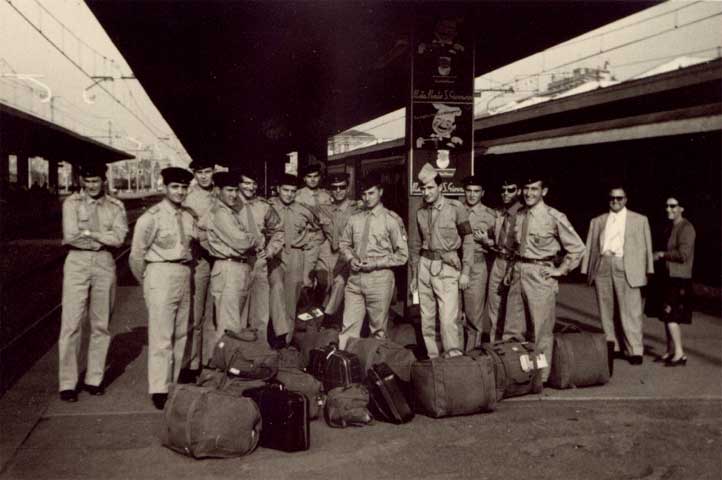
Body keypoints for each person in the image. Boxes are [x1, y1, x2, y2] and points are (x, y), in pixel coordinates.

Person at [59, 163, 128, 402]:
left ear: (104, 181)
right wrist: (102, 239)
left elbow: (119, 238)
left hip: (104, 263)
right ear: (81, 181)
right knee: (72, 323)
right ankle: (67, 383)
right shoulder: (71, 203)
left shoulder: (115, 206)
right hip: (77, 263)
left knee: (101, 324)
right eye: (87, 182)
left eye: (96, 181)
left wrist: (90, 234)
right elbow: (71, 236)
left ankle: (94, 379)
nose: (91, 186)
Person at [507, 173, 585, 382]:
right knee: (513, 330)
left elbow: (577, 248)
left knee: (541, 331)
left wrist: (561, 270)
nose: (529, 193)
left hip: (540, 276)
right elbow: (515, 247)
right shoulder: (520, 214)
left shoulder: (554, 217)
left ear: (544, 191)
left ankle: (540, 377)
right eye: (526, 189)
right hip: (518, 273)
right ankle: (516, 375)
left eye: (534, 189)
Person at [129, 167, 196, 410]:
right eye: (175, 187)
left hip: (183, 272)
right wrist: (148, 283)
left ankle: (173, 382)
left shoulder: (189, 216)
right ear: (165, 188)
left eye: (183, 187)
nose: (180, 192)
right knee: (161, 336)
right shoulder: (152, 217)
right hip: (160, 273)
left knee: (181, 333)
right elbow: (136, 256)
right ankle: (159, 388)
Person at [581, 186, 654, 365]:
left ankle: (635, 350)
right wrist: (585, 270)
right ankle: (612, 346)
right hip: (603, 265)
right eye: (612, 198)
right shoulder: (598, 221)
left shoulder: (640, 220)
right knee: (606, 309)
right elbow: (590, 247)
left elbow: (647, 246)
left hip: (627, 265)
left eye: (619, 198)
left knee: (631, 310)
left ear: (626, 199)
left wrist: (648, 269)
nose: (615, 201)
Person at [410, 163, 474, 358]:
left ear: (440, 187)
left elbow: (468, 240)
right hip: (424, 266)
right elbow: (414, 245)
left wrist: (466, 272)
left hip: (447, 267)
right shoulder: (420, 211)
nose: (426, 192)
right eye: (423, 188)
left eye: (430, 188)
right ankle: (434, 362)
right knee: (427, 319)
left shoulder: (456, 208)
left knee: (448, 321)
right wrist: (414, 275)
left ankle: (454, 362)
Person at [338, 172, 408, 348]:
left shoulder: (391, 220)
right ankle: (344, 368)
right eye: (364, 194)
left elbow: (402, 255)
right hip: (355, 279)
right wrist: (350, 258)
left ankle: (373, 367)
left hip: (379, 279)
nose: (367, 198)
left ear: (380, 192)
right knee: (348, 327)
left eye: (371, 193)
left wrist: (376, 263)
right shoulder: (355, 219)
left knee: (378, 331)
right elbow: (344, 243)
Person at [206, 171, 258, 343]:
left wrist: (248, 238)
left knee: (237, 326)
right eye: (229, 190)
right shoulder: (220, 213)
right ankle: (225, 366)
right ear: (217, 190)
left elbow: (245, 240)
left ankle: (234, 365)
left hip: (238, 268)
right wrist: (251, 239)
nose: (234, 195)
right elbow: (242, 242)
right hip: (228, 269)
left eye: (236, 190)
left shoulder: (230, 212)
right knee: (229, 327)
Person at [269, 174, 320, 343]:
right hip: (275, 256)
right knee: (276, 289)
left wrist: (308, 267)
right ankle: (276, 333)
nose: (289, 194)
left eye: (292, 191)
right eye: (285, 190)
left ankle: (286, 341)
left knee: (291, 300)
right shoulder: (268, 207)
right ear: (278, 190)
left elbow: (315, 234)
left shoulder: (304, 210)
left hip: (296, 255)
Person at [236, 168, 284, 344]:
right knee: (238, 312)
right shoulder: (230, 204)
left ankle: (259, 353)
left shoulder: (263, 206)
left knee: (261, 312)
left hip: (258, 262)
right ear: (238, 184)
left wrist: (270, 251)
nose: (251, 187)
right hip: (238, 262)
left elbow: (278, 230)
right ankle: (237, 355)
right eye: (246, 183)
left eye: (254, 183)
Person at [181, 159, 216, 373]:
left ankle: (210, 360)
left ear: (213, 171)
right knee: (196, 312)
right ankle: (192, 362)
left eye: (208, 171)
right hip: (199, 259)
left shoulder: (221, 193)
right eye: (199, 172)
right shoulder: (189, 198)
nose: (204, 176)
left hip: (220, 259)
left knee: (213, 312)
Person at [653, 194, 696, 367]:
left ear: (682, 208)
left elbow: (684, 255)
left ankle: (680, 353)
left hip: (679, 278)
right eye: (667, 206)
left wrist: (662, 254)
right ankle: (670, 350)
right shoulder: (672, 227)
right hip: (669, 277)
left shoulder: (686, 228)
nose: (668, 209)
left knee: (672, 316)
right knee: (666, 314)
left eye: (673, 206)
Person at [318, 172, 362, 329]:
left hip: (348, 254)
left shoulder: (357, 208)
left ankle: (327, 316)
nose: (338, 191)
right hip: (329, 253)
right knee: (324, 282)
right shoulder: (323, 209)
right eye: (334, 188)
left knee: (339, 282)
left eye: (342, 187)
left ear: (347, 188)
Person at [484, 176, 524, 342]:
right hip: (499, 260)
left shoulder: (524, 214)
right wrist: (488, 242)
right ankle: (495, 345)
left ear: (519, 191)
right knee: (494, 306)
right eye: (503, 190)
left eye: (511, 190)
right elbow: (498, 239)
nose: (506, 193)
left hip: (515, 263)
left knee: (513, 310)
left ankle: (512, 349)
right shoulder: (499, 214)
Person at [460, 174, 497, 349]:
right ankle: (455, 355)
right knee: (452, 314)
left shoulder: (491, 216)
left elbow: (499, 245)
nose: (472, 195)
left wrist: (486, 242)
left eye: (476, 191)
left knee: (473, 314)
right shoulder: (455, 209)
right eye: (468, 191)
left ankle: (472, 355)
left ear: (483, 193)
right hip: (454, 264)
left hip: (476, 265)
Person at [295, 163, 333, 294]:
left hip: (324, 240)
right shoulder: (297, 196)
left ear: (320, 177)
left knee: (326, 279)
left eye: (315, 176)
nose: (312, 179)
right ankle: (306, 308)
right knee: (306, 279)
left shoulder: (327, 195)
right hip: (308, 240)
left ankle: (319, 304)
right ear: (304, 179)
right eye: (309, 177)